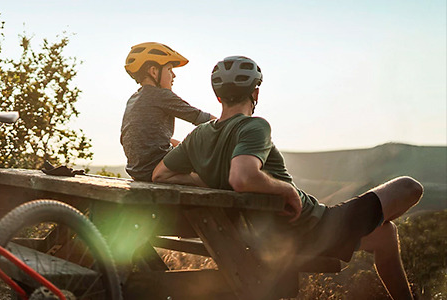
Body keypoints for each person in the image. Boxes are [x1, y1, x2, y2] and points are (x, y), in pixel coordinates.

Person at [152, 56, 423, 299]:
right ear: (255, 92)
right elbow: (242, 177)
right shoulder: (253, 126)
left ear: (218, 97)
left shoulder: (198, 135)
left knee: (385, 234)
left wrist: (207, 181)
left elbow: (160, 174)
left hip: (266, 233)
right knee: (410, 187)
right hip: (312, 228)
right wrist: (287, 191)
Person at [121, 42, 215, 181]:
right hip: (155, 168)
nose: (174, 75)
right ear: (153, 71)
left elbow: (147, 137)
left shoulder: (134, 99)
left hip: (138, 170)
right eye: (170, 69)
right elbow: (202, 118)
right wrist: (231, 126)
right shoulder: (160, 95)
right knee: (212, 168)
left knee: (181, 143)